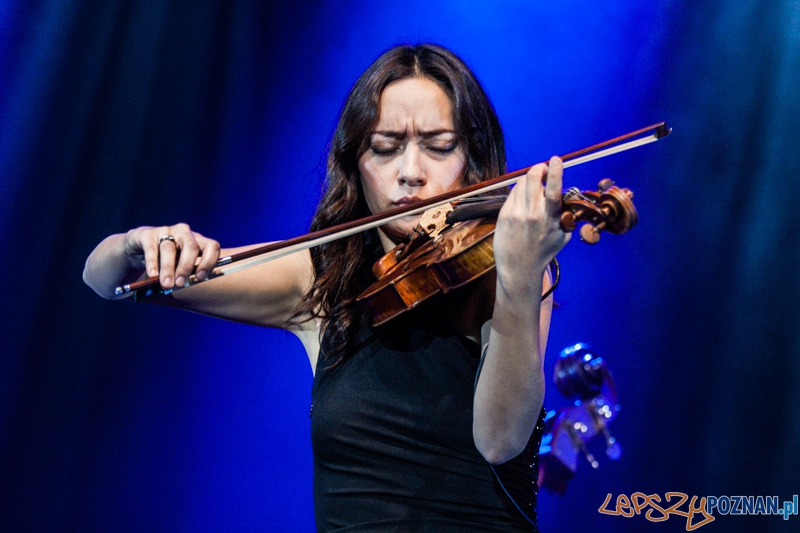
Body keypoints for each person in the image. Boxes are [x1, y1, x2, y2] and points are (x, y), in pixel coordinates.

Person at [84, 43, 570, 532]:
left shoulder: (507, 270)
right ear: (355, 162)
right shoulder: (320, 280)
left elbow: (501, 440)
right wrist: (135, 244)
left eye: (440, 146)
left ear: (473, 157)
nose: (410, 172)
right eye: (385, 147)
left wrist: (519, 281)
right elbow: (109, 279)